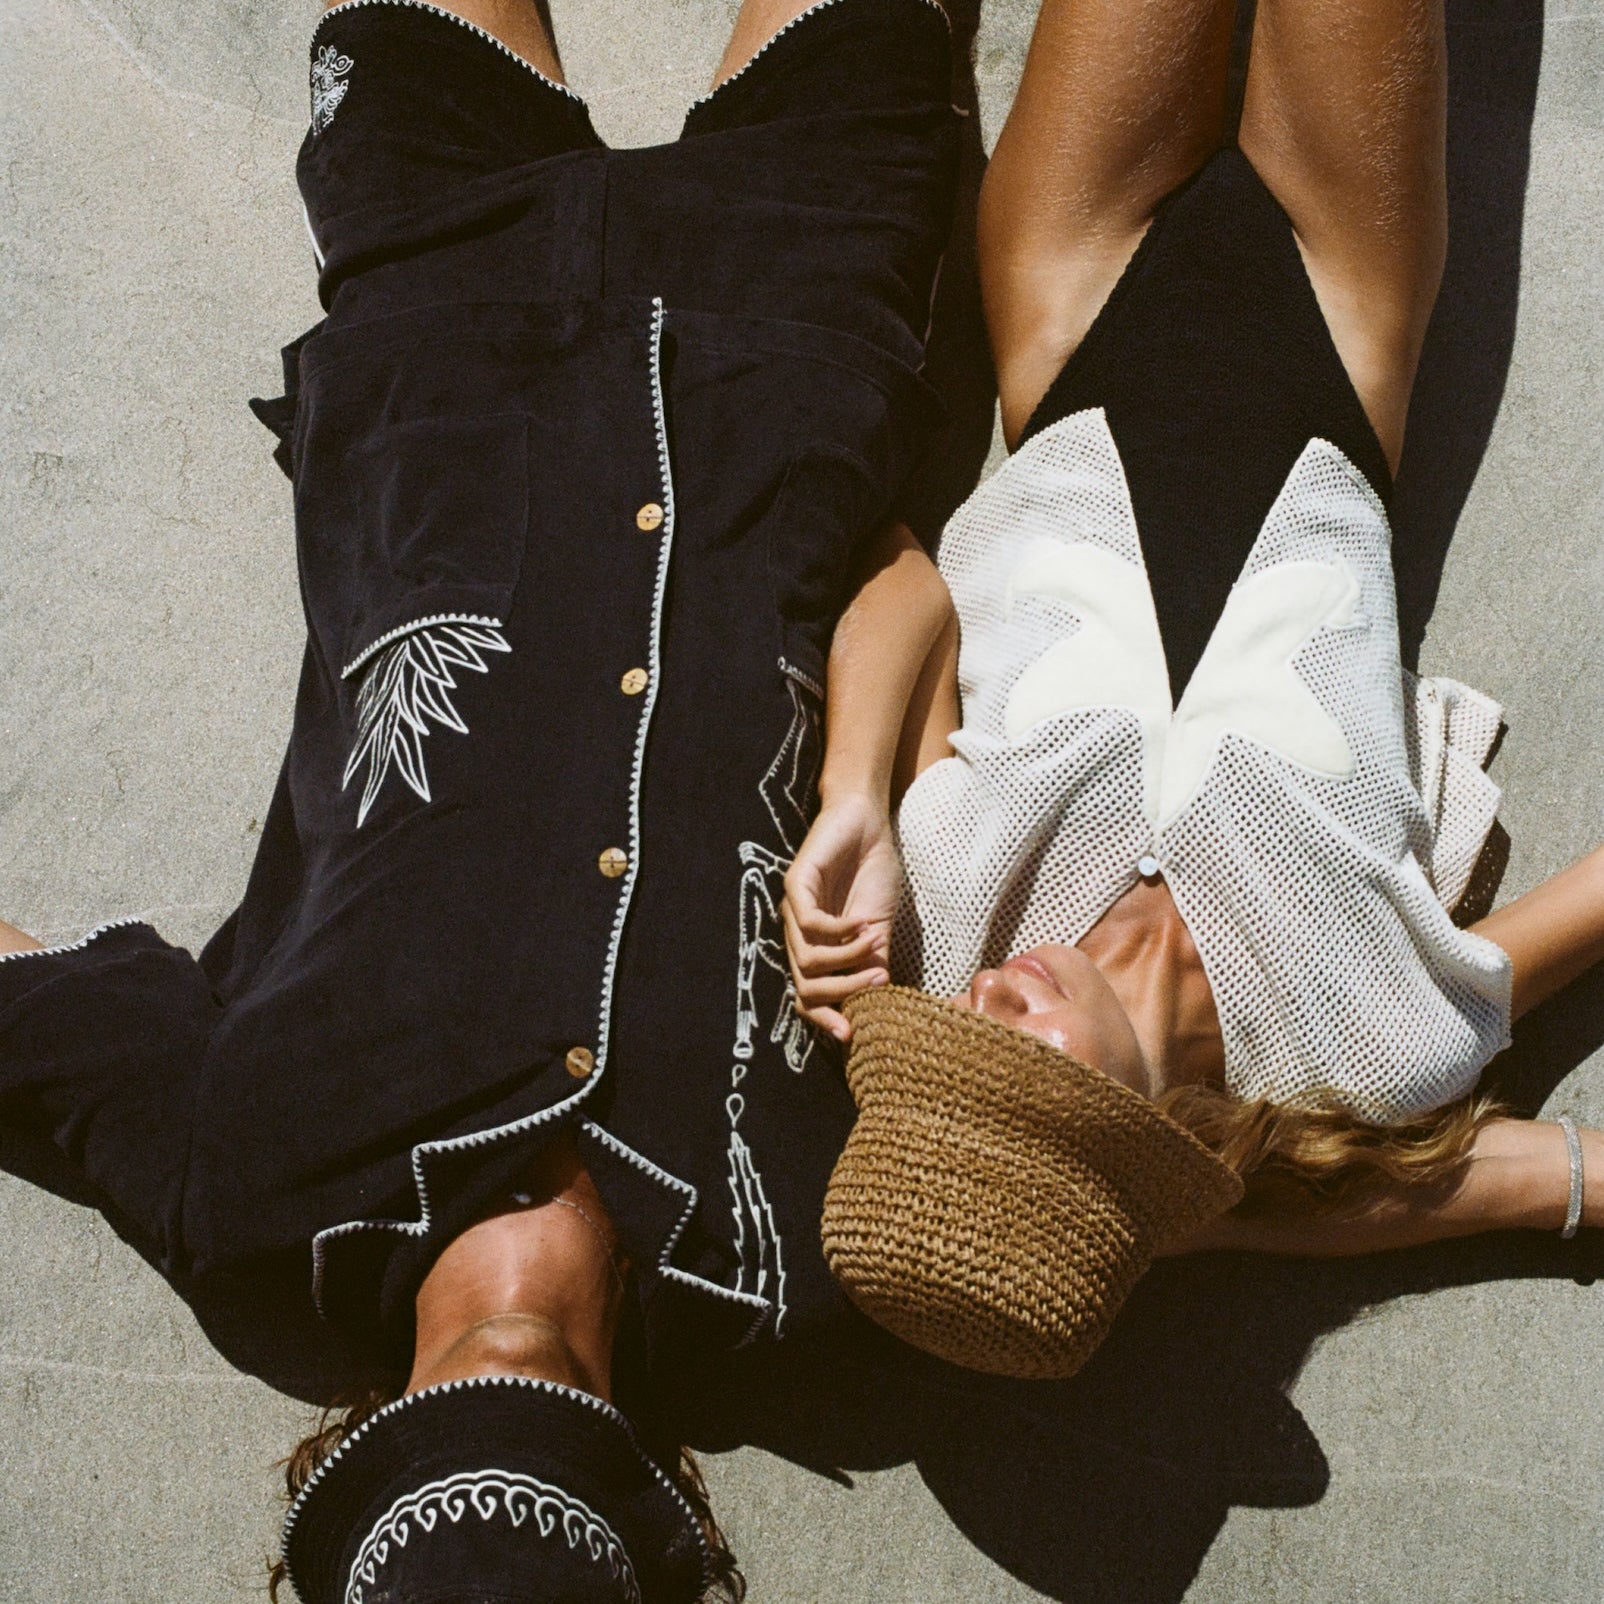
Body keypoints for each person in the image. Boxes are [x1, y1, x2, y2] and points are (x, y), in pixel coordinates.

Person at [0, 0, 958, 1596]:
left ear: (361, 1456)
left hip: (436, 334)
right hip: (796, 335)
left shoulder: (250, 1194)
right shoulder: (791, 1254)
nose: (505, 1369)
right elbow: (903, 586)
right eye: (558, 1426)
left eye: (450, 1433)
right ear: (664, 1502)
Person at [784, 0, 1604, 1319]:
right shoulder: (1366, 1044)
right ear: (1138, 1146)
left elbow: (903, 579)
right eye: (1024, 1057)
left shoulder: (936, 929)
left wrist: (852, 797)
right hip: (1338, 323)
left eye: (960, 1042)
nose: (989, 1000)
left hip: (1075, 307)